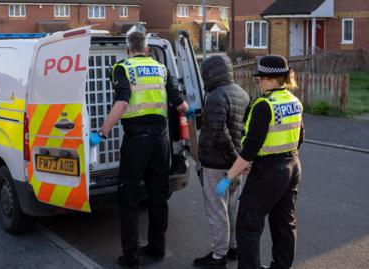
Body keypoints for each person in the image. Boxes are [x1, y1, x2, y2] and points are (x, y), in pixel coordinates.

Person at [90, 31, 190, 268]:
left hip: (137, 142)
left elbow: (122, 102)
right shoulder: (161, 69)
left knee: (128, 198)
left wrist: (102, 132)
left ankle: (131, 257)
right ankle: (157, 250)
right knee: (158, 196)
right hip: (161, 141)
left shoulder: (122, 68)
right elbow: (182, 105)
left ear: (127, 50)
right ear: (147, 50)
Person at [215, 55, 304, 269]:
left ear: (272, 80)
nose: (258, 82)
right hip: (292, 166)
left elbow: (249, 150)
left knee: (248, 224)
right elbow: (299, 139)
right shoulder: (294, 101)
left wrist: (228, 177)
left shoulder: (264, 105)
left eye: (260, 79)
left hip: (268, 173)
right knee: (285, 223)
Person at [194, 55, 249, 268]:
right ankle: (233, 247)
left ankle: (218, 257)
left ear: (212, 73)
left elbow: (220, 134)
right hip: (236, 166)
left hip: (216, 165)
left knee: (217, 211)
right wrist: (239, 162)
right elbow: (240, 129)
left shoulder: (216, 96)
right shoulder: (242, 93)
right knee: (232, 206)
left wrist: (236, 160)